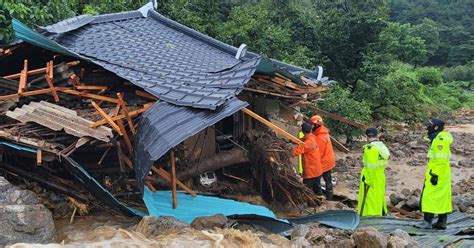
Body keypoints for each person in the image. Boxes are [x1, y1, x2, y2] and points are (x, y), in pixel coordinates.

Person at [415, 118, 453, 230]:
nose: (427, 128)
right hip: (442, 174)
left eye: (429, 126)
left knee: (429, 196)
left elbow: (440, 160)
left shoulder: (439, 140)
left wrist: (435, 174)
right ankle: (442, 222)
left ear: (435, 127)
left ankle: (427, 221)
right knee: (442, 197)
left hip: (437, 174)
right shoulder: (439, 138)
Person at [357, 128, 390, 216]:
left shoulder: (370, 148)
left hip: (371, 177)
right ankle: (380, 213)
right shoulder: (382, 146)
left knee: (369, 198)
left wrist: (367, 181)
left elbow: (371, 167)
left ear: (367, 136)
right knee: (378, 197)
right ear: (377, 135)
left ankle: (368, 215)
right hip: (380, 176)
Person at [310, 115, 336, 200]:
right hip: (329, 159)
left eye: (312, 124)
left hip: (324, 161)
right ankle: (329, 197)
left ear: (316, 125)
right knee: (328, 179)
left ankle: (319, 196)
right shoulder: (322, 131)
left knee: (316, 180)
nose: (311, 126)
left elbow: (318, 153)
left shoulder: (320, 137)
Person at [292, 122, 323, 194]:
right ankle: (320, 202)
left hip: (311, 171)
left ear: (302, 131)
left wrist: (285, 152)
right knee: (317, 188)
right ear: (310, 130)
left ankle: (309, 203)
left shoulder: (307, 143)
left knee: (306, 191)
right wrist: (291, 140)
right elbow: (302, 140)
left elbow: (296, 152)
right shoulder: (312, 137)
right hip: (317, 170)